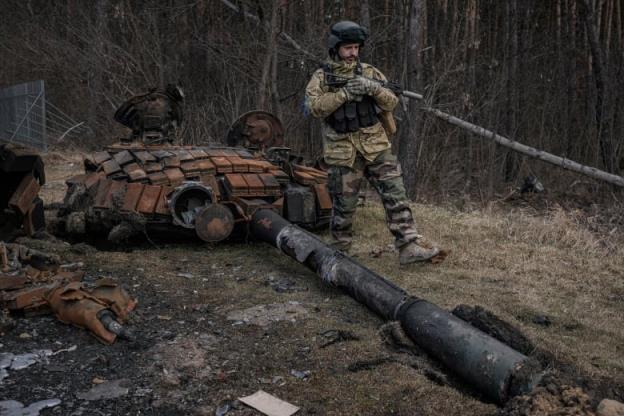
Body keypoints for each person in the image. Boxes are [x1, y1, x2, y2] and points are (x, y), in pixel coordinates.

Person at [304, 20, 441, 264]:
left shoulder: (370, 72)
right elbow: (314, 108)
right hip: (343, 151)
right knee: (343, 206)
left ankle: (408, 246)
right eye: (348, 48)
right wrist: (343, 95)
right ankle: (338, 255)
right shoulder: (321, 78)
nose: (353, 53)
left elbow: (391, 102)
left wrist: (373, 89)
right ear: (336, 48)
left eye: (356, 48)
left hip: (376, 146)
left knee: (395, 195)